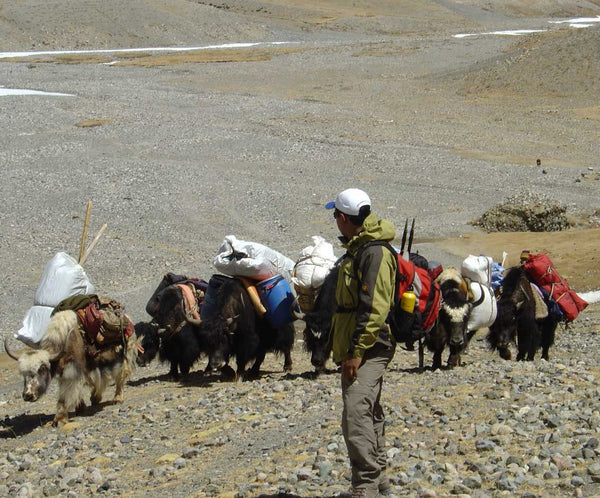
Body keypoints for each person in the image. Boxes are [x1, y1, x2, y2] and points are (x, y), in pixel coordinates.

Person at [325, 188, 397, 498]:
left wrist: (356, 352)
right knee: (369, 409)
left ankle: (365, 485)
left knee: (355, 412)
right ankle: (378, 479)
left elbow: (374, 308)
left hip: (370, 347)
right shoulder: (359, 249)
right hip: (359, 346)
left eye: (335, 216)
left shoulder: (373, 253)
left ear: (342, 218)